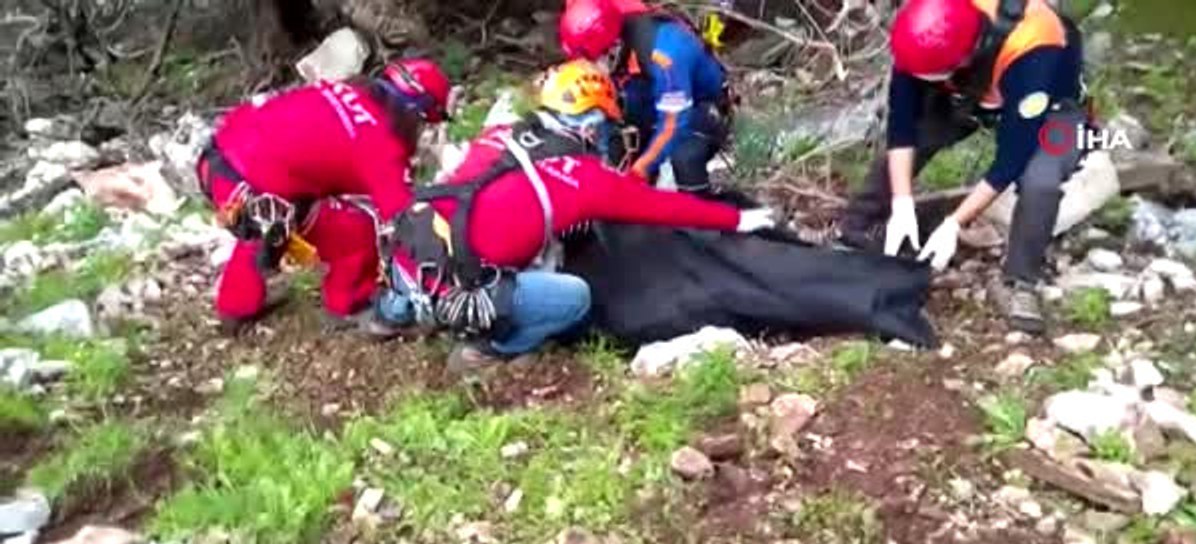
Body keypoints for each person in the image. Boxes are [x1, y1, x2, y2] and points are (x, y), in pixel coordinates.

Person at [373, 59, 776, 373]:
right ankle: (487, 349)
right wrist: (736, 219)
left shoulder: (502, 133)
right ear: (590, 122)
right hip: (459, 290)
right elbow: (663, 207)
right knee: (574, 297)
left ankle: (390, 316)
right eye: (601, 124)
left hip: (408, 251)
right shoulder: (583, 179)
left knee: (456, 247)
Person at [840, 0, 1087, 335]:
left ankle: (1020, 282)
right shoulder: (919, 32)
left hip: (1044, 100)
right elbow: (902, 128)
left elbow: (1014, 155)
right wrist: (901, 202)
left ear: (969, 53)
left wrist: (954, 223)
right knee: (922, 136)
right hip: (963, 89)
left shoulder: (1034, 45)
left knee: (1040, 180)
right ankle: (859, 232)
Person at [196, 57, 452, 328]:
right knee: (359, 230)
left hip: (214, 164)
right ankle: (348, 303)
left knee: (282, 204)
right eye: (424, 124)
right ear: (412, 111)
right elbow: (406, 221)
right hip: (252, 196)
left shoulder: (343, 88)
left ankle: (237, 306)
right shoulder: (381, 146)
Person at [559, 0, 732, 194]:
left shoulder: (666, 55)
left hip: (701, 107)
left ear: (613, 47)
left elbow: (673, 124)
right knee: (612, 127)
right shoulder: (609, 25)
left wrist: (642, 167)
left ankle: (700, 212)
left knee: (685, 156)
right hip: (652, 94)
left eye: (595, 60)